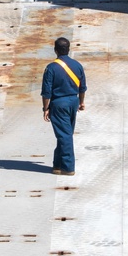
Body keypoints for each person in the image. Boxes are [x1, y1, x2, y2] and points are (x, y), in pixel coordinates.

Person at [41, 37, 86, 176]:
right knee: (65, 134)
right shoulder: (77, 65)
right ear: (69, 49)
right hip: (73, 102)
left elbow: (46, 92)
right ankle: (58, 165)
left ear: (55, 50)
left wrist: (45, 108)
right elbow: (82, 88)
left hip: (59, 104)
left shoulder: (51, 68)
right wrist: (81, 102)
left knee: (65, 135)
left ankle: (68, 167)